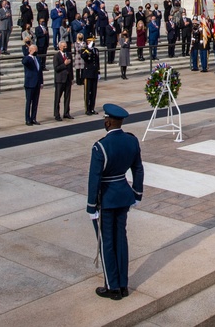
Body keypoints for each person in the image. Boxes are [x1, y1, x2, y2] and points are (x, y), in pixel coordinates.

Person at [87, 103, 144, 300]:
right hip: (124, 195)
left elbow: (94, 178)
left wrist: (91, 206)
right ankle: (123, 285)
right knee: (121, 240)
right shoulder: (132, 141)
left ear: (109, 121)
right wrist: (137, 193)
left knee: (107, 242)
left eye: (105, 119)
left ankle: (112, 287)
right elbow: (137, 168)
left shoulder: (100, 146)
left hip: (107, 199)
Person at [53, 41, 74, 120]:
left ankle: (66, 112)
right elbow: (56, 68)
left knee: (67, 97)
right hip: (60, 80)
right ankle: (56, 114)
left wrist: (71, 78)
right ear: (60, 47)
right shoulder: (57, 56)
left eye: (66, 46)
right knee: (58, 98)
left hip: (68, 79)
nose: (65, 48)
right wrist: (64, 64)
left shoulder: (69, 55)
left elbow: (71, 67)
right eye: (64, 46)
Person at [23, 44, 43, 125]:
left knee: (35, 102)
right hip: (30, 84)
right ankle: (27, 119)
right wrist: (30, 55)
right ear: (30, 50)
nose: (36, 51)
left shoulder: (37, 58)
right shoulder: (28, 58)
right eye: (35, 50)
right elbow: (24, 62)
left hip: (37, 83)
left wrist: (41, 82)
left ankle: (33, 118)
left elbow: (40, 71)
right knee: (29, 102)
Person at [82, 38, 100, 115]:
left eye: (93, 41)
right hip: (88, 73)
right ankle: (87, 109)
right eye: (90, 41)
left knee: (93, 92)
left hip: (94, 73)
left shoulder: (96, 50)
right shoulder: (85, 49)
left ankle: (92, 108)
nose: (92, 42)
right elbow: (83, 56)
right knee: (87, 92)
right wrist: (88, 48)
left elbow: (97, 61)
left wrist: (98, 71)